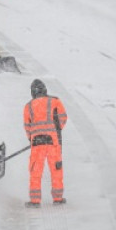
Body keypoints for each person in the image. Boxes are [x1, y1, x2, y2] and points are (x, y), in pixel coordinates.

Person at [23, 79, 68, 207]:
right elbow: (63, 118)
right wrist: (55, 129)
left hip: (37, 142)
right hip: (53, 141)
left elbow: (27, 125)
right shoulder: (55, 101)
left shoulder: (28, 106)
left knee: (35, 170)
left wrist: (31, 138)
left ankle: (35, 200)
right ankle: (58, 198)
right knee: (56, 169)